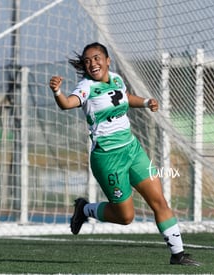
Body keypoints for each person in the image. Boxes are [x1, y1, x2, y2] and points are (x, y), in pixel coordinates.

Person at [49, 42, 200, 266]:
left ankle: (178, 254)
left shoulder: (117, 78)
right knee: (126, 217)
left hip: (132, 149)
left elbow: (125, 97)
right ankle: (85, 208)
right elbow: (68, 104)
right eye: (88, 61)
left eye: (97, 58)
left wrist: (147, 102)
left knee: (159, 200)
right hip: (108, 158)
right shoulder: (86, 87)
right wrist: (57, 92)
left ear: (108, 60)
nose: (93, 63)